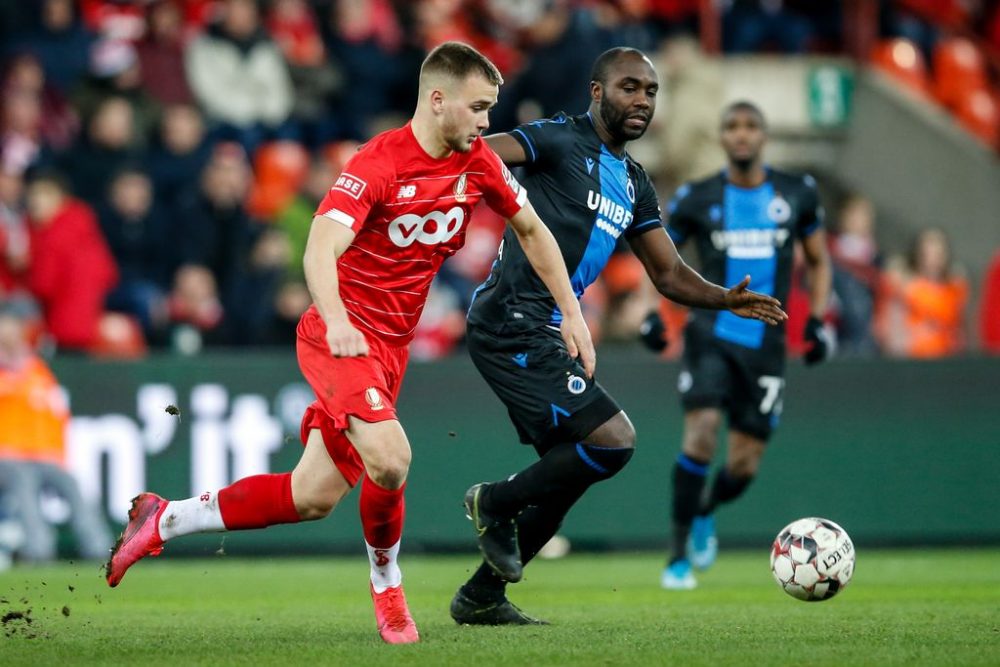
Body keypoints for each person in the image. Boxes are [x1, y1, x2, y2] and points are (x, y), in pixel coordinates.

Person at [103, 41, 595, 645]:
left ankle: (163, 519)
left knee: (309, 496)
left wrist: (570, 313)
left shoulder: (478, 163)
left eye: (490, 109)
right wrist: (336, 319)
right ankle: (388, 586)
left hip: (390, 350)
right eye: (478, 108)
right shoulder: (378, 162)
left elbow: (533, 231)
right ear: (437, 101)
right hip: (340, 337)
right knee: (391, 458)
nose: (487, 122)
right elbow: (320, 245)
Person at [451, 48, 787, 625]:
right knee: (613, 440)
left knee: (569, 474)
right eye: (630, 87)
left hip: (551, 332)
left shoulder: (633, 181)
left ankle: (481, 597)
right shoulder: (558, 139)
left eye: (651, 92)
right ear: (598, 91)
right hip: (511, 321)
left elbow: (670, 274)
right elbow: (478, 154)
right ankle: (493, 501)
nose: (642, 101)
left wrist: (725, 296)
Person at [660, 101, 833, 590]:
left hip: (767, 347)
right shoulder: (696, 197)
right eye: (732, 126)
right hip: (710, 334)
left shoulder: (798, 192)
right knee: (701, 430)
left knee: (742, 465)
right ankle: (676, 559)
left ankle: (706, 509)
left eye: (750, 126)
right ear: (720, 138)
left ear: (764, 136)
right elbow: (664, 262)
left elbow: (818, 261)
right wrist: (655, 317)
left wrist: (818, 321)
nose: (741, 134)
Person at [0, 302, 113, 563]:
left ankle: (100, 549)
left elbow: (54, 416)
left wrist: (56, 455)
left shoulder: (36, 371)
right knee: (22, 480)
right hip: (7, 456)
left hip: (41, 455)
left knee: (70, 482)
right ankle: (38, 550)